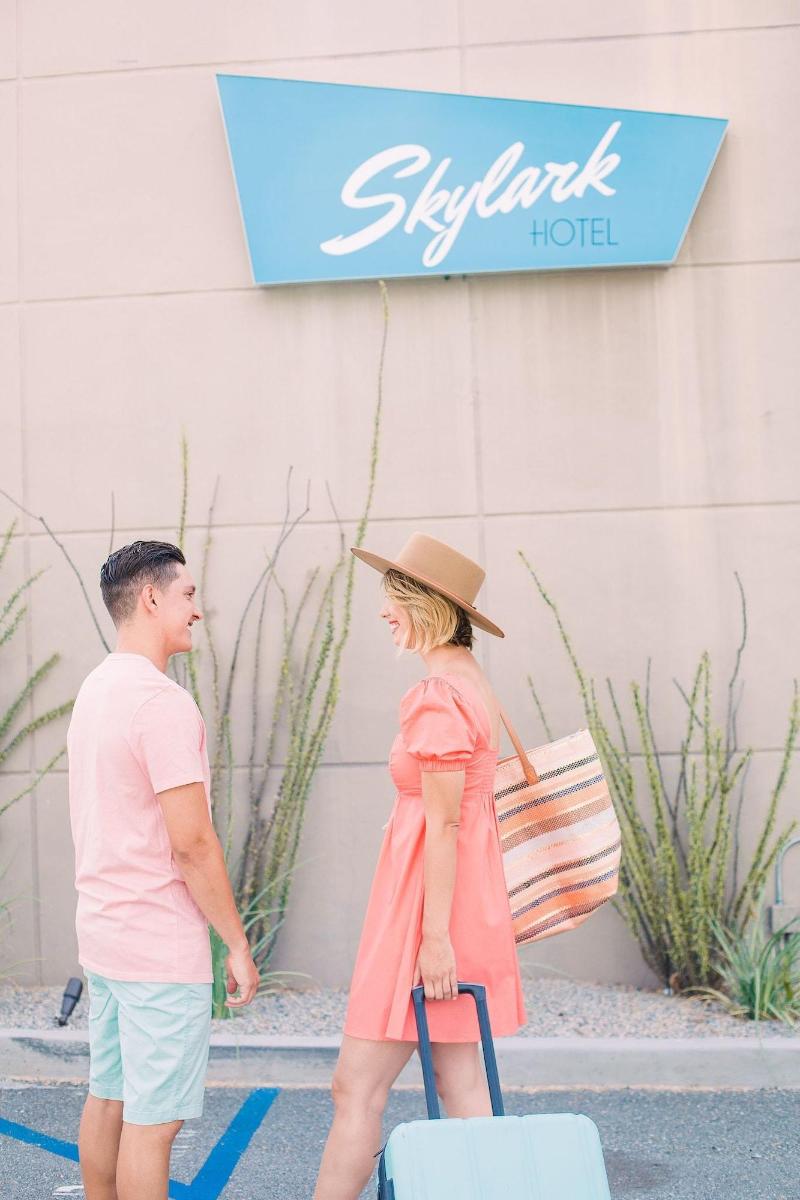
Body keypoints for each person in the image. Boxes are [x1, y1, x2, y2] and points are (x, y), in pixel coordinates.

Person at [314, 532, 525, 1200]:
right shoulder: (473, 681)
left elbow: (445, 822)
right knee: (459, 1084)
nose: (385, 611)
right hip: (463, 902)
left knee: (356, 1087)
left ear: (428, 605)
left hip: (426, 913)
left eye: (395, 597)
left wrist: (433, 940)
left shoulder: (438, 694)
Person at [66, 540, 259, 1200]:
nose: (197, 610)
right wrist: (235, 943)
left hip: (105, 935)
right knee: (153, 1124)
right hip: (157, 945)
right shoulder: (162, 704)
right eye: (188, 595)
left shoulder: (95, 690)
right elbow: (193, 844)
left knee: (110, 1098)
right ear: (151, 597)